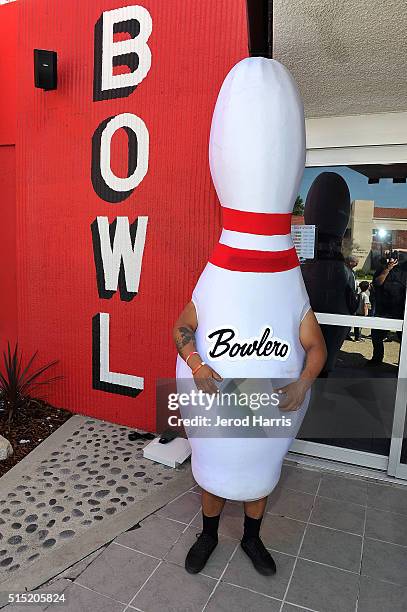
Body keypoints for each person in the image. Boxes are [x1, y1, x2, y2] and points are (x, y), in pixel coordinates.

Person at [173, 302, 326, 575]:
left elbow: (317, 345)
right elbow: (182, 327)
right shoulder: (218, 287)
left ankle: (251, 539)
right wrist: (196, 365)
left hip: (266, 402)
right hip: (218, 400)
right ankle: (209, 535)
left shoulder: (288, 294)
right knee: (215, 467)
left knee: (258, 472)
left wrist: (303, 383)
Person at [367, 252, 407, 365]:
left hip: (400, 310)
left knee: (403, 338)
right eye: (391, 257)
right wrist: (387, 269)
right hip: (383, 309)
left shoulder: (404, 271)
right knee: (376, 336)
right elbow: (378, 283)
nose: (393, 259)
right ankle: (377, 359)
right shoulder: (382, 269)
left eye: (395, 257)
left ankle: (403, 364)